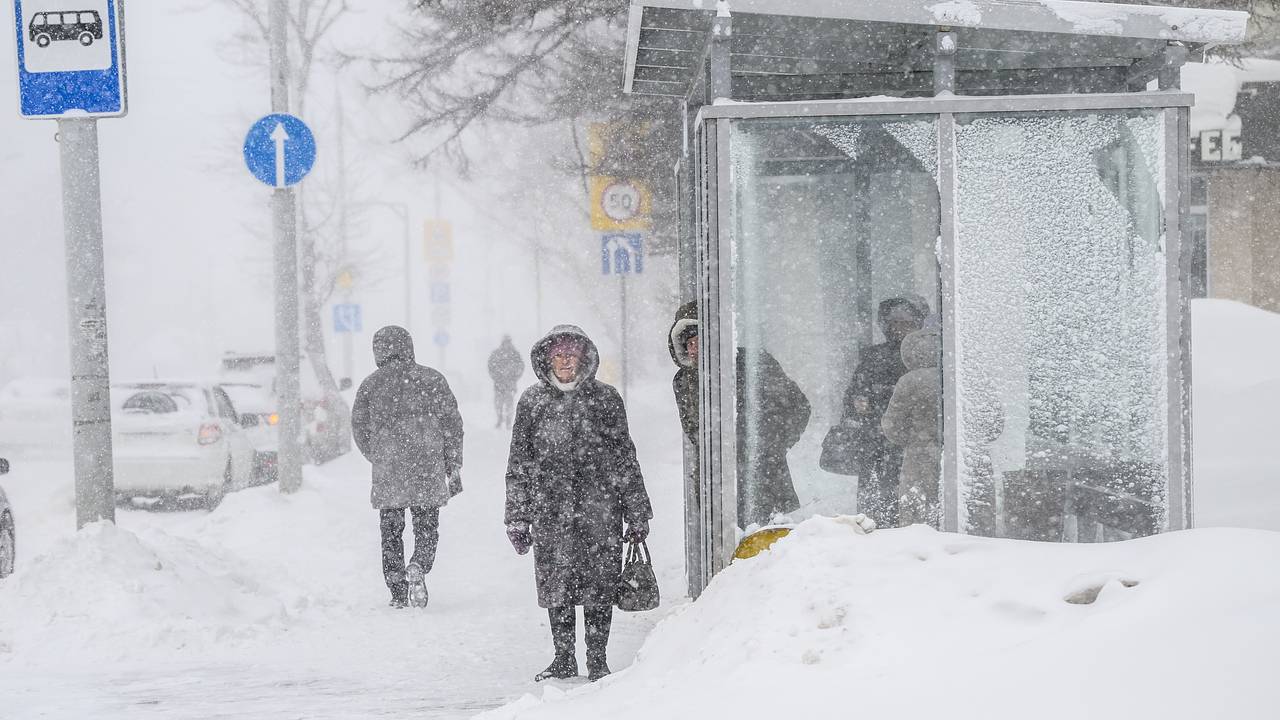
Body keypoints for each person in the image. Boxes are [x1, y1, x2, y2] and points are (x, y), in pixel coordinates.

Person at [504, 324, 653, 683]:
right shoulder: (533, 402)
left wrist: (637, 511)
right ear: (548, 359)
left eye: (572, 354)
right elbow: (519, 462)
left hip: (599, 510)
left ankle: (597, 660)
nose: (565, 360)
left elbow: (624, 457)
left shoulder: (605, 399)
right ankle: (564, 657)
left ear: (584, 357)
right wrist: (517, 516)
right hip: (550, 511)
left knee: (599, 586)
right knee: (558, 585)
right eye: (559, 354)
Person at [668, 301, 811, 527]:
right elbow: (694, 433)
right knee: (729, 554)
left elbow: (798, 406)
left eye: (699, 340)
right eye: (689, 344)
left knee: (774, 547)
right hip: (717, 486)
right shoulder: (682, 381)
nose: (694, 349)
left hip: (765, 480)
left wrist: (772, 445)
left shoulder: (751, 362)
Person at [350, 326, 464, 609]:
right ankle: (419, 564)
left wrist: (378, 456)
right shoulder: (432, 379)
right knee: (427, 526)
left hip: (389, 470)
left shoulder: (370, 385)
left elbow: (359, 428)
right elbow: (452, 424)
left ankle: (397, 590)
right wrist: (451, 462)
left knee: (391, 531)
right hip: (428, 465)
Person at [840, 297, 926, 528]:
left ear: (918, 324)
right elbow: (853, 400)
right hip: (876, 449)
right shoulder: (873, 357)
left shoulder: (928, 360)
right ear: (886, 325)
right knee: (875, 515)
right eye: (895, 322)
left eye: (906, 323)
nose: (900, 328)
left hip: (911, 448)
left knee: (912, 514)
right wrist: (863, 408)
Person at [880, 328, 941, 527]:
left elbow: (892, 426)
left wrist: (916, 439)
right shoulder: (966, 375)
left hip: (920, 459)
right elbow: (994, 423)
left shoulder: (910, 382)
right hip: (968, 460)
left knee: (919, 520)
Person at [488, 335, 525, 429]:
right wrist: (497, 376)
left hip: (510, 384)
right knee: (499, 403)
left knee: (509, 403)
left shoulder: (515, 354)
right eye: (506, 342)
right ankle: (500, 419)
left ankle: (508, 421)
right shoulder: (497, 354)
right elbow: (491, 366)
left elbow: (520, 367)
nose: (507, 344)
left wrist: (514, 377)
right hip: (499, 383)